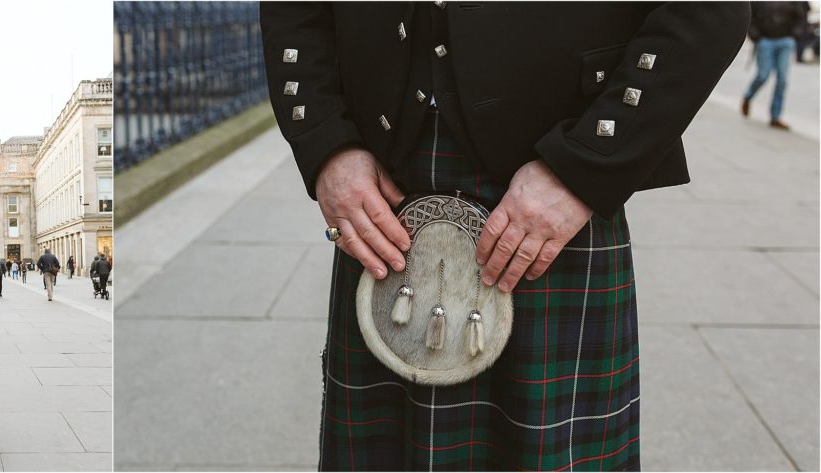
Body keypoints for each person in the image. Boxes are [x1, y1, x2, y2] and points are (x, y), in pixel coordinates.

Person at [261, 3, 749, 470]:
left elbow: (707, 8)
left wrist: (584, 166)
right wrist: (326, 143)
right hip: (385, 192)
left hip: (550, 192)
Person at [741, 1, 806, 130]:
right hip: (765, 41)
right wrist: (755, 36)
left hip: (785, 41)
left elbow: (801, 16)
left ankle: (775, 117)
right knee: (763, 75)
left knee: (782, 80)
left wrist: (795, 34)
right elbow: (750, 15)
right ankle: (748, 96)